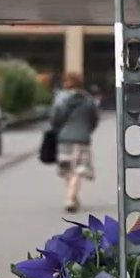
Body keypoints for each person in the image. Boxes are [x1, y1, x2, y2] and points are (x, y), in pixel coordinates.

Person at [52, 72, 101, 213]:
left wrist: (59, 130)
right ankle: (70, 198)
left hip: (64, 139)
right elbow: (94, 119)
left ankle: (72, 197)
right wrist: (87, 130)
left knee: (67, 169)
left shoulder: (60, 99)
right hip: (82, 139)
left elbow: (56, 118)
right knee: (78, 170)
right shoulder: (88, 100)